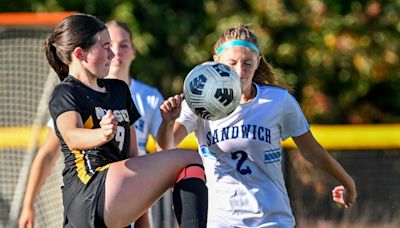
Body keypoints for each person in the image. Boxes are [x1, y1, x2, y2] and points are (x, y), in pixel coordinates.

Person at [157, 25, 357, 227]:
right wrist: (168, 122)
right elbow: (163, 149)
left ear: (258, 62)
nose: (240, 71)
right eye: (232, 63)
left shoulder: (278, 101)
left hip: (271, 220)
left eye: (247, 63)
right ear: (217, 62)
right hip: (221, 221)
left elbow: (312, 151)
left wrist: (347, 181)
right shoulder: (200, 103)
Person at [21, 13, 208, 228]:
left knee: (187, 163)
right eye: (106, 46)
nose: (112, 54)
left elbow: (133, 158)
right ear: (80, 54)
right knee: (189, 158)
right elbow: (71, 136)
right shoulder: (66, 92)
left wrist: (142, 221)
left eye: (116, 46)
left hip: (116, 199)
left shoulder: (119, 90)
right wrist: (102, 133)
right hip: (88, 192)